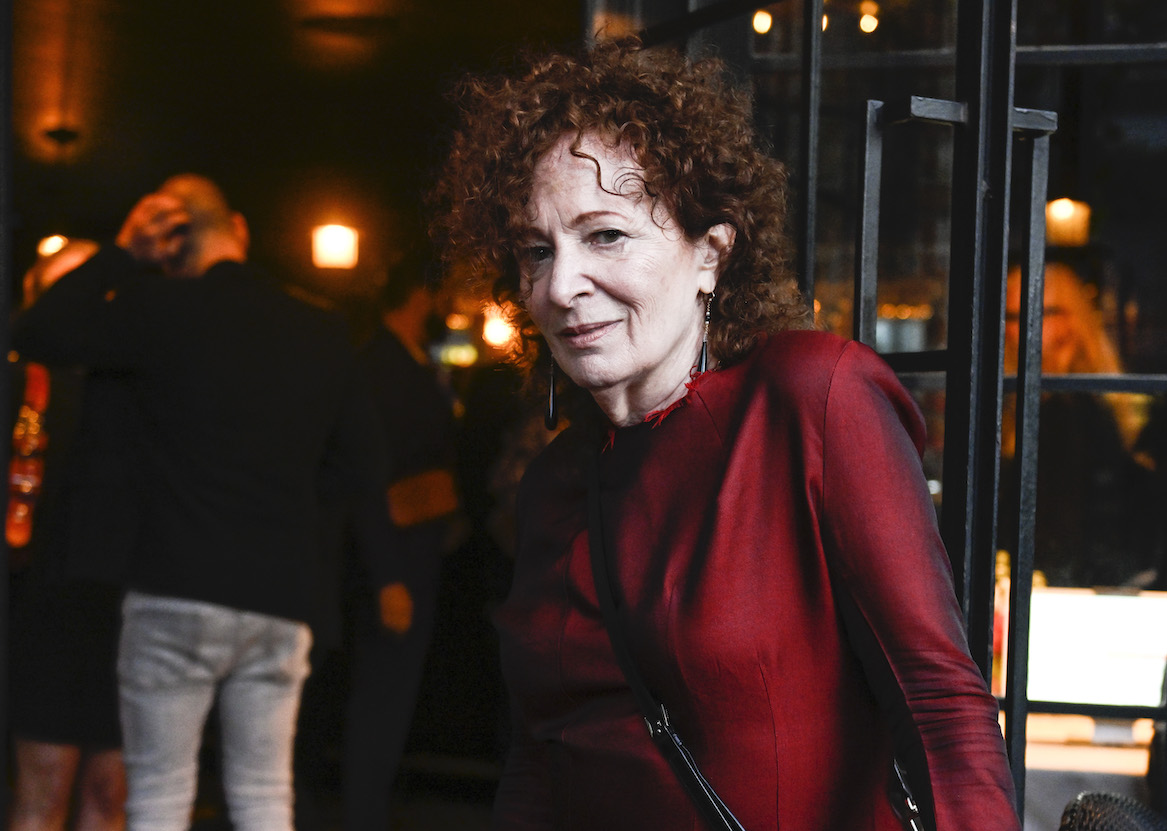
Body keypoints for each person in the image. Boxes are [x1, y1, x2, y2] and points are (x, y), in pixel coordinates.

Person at [429, 39, 1020, 831]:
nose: (562, 285)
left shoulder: (810, 399)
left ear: (710, 253)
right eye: (538, 251)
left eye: (605, 235)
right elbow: (541, 757)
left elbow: (940, 702)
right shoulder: (557, 483)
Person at [12, 174, 400, 831]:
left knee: (160, 792)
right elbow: (363, 466)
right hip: (281, 593)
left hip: (174, 582)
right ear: (239, 230)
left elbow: (39, 329)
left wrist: (121, 252)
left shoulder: (160, 310)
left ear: (170, 243)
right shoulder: (323, 329)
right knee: (263, 794)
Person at [7, 239, 132, 831]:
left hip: (119, 612)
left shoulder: (132, 385)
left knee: (109, 796)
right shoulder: (19, 384)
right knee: (43, 789)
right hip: (39, 607)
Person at [338, 250, 460, 830]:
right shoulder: (378, 368)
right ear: (418, 298)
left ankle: (370, 806)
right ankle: (362, 813)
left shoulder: (407, 362)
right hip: (393, 554)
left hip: (415, 549)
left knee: (393, 689)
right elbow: (369, 477)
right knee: (380, 688)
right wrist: (387, 573)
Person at [998, 261, 1161, 589]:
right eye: (1012, 317)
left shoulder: (1082, 404)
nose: (1023, 328)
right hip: (1037, 578)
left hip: (1076, 583)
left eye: (1043, 312)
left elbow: (1092, 514)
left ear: (1071, 319)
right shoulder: (1013, 400)